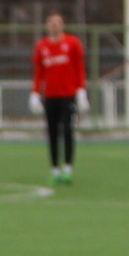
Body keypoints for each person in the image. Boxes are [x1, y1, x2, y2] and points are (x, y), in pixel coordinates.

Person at [33, 11, 85, 184]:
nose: (54, 25)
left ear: (63, 25)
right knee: (52, 133)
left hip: (68, 95)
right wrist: (35, 92)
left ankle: (68, 168)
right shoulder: (42, 46)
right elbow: (39, 72)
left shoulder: (73, 43)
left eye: (58, 22)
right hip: (50, 96)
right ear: (47, 25)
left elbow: (80, 68)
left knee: (68, 131)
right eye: (51, 22)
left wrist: (81, 90)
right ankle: (55, 170)